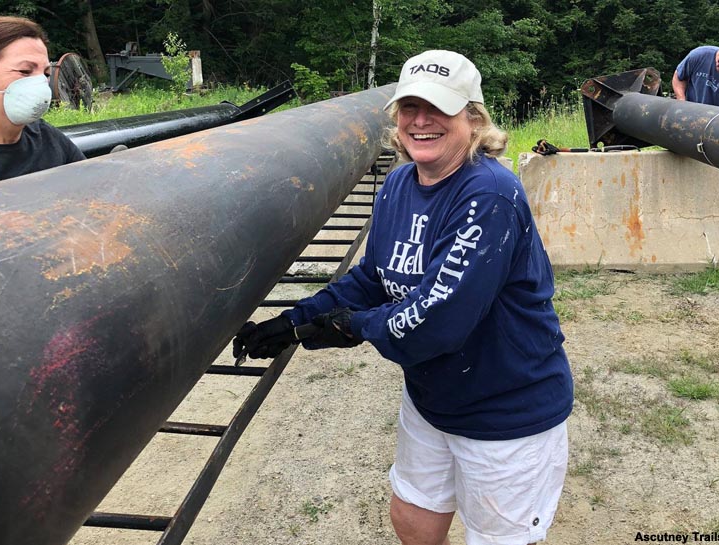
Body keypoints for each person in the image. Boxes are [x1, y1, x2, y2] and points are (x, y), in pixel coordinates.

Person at [233, 49, 573, 545]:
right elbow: (374, 276)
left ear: (473, 118)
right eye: (409, 107)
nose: (421, 121)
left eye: (438, 108)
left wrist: (353, 327)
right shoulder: (398, 184)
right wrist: (295, 321)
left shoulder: (488, 196)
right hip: (433, 397)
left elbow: (436, 319)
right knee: (413, 511)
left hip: (506, 408)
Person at [0, 16, 85, 185]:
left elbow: (89, 187)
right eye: (25, 71)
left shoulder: (46, 136)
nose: (40, 83)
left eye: (46, 74)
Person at [671, 41, 719, 109]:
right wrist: (682, 102)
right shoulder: (699, 55)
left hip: (715, 119)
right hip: (689, 108)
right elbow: (679, 77)